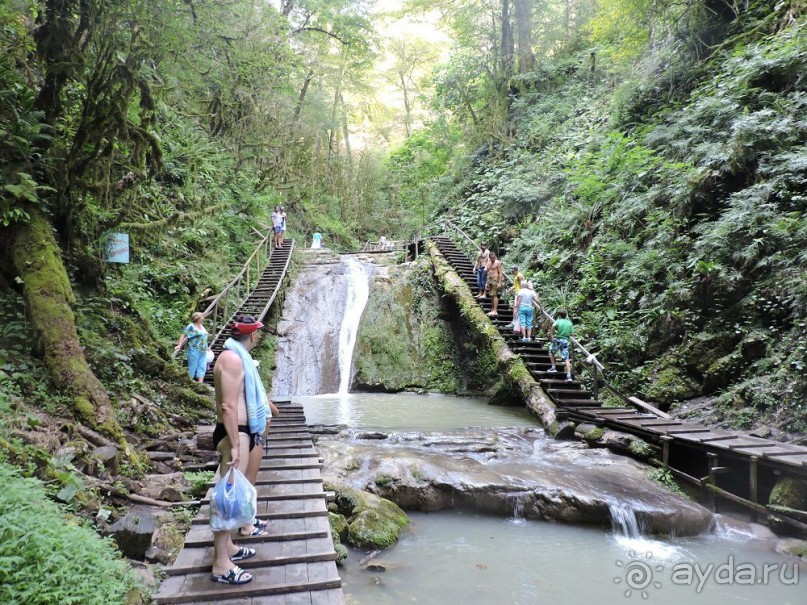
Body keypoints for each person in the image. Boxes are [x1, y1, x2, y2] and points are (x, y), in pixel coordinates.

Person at [209, 315, 272, 585]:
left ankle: (230, 549)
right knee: (229, 498)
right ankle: (221, 564)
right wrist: (236, 443)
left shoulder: (229, 356)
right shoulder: (234, 360)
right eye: (257, 333)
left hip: (239, 432)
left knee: (233, 494)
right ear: (252, 335)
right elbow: (228, 406)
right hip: (236, 433)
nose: (258, 336)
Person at [174, 312, 209, 382]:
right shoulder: (191, 326)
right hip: (194, 350)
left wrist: (207, 346)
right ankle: (190, 383)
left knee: (202, 367)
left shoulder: (202, 326)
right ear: (197, 318)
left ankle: (200, 384)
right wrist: (179, 345)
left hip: (203, 350)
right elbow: (183, 335)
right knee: (192, 367)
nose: (203, 318)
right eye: (201, 316)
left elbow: (204, 337)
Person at [548, 309, 575, 382]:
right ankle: (569, 376)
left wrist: (552, 334)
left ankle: (553, 367)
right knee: (566, 358)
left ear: (559, 316)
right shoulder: (569, 323)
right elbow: (572, 333)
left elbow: (553, 326)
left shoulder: (558, 321)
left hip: (558, 339)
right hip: (565, 341)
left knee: (551, 351)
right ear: (566, 315)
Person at [505, 265, 525, 331]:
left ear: (516, 270)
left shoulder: (519, 276)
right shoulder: (516, 276)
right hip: (518, 293)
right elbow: (516, 285)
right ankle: (515, 324)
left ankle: (514, 323)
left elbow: (522, 285)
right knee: (516, 308)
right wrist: (510, 289)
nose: (511, 271)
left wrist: (520, 295)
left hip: (519, 294)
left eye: (512, 270)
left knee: (516, 308)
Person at [485, 252, 503, 318]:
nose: (493, 258)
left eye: (494, 257)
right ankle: (492, 309)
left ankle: (495, 310)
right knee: (491, 295)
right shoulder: (489, 263)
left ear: (495, 256)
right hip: (489, 280)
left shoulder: (498, 263)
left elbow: (500, 273)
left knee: (494, 295)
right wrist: (487, 282)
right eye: (491, 257)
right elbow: (487, 272)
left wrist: (500, 282)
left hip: (495, 280)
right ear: (489, 257)